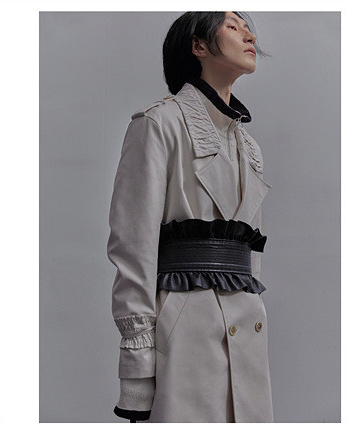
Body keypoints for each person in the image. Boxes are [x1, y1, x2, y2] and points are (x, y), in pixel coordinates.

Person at [107, 11, 274, 423]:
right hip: (185, 330)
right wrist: (138, 367)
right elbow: (133, 247)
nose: (249, 36)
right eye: (233, 26)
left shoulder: (250, 148)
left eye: (248, 28)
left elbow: (251, 254)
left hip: (248, 330)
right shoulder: (157, 124)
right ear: (198, 46)